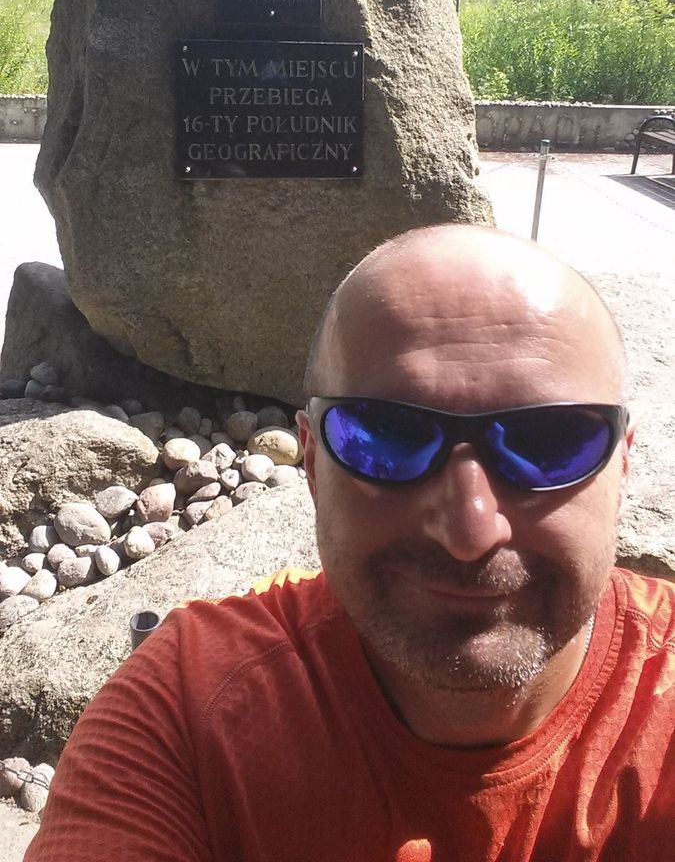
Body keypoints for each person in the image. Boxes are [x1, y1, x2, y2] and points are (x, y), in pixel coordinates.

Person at [26, 225, 675, 861]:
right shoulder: (184, 715)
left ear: (622, 466)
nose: (471, 532)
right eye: (386, 437)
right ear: (311, 464)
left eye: (551, 442)